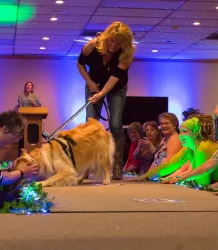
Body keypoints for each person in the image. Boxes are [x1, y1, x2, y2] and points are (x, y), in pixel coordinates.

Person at [77, 21, 135, 180]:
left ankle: (116, 164)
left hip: (116, 86)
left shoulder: (128, 52)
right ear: (107, 37)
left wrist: (101, 93)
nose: (114, 45)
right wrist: (90, 84)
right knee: (91, 124)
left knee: (115, 123)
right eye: (112, 41)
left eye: (119, 43)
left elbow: (116, 76)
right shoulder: (93, 45)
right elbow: (80, 64)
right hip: (93, 83)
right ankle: (86, 167)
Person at [166, 101, 218, 191]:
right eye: (215, 118)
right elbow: (209, 164)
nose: (216, 122)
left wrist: (206, 188)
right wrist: (181, 178)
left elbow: (205, 179)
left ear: (196, 133)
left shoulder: (204, 146)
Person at [0, 110, 39, 208]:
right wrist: (22, 173)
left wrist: (9, 170)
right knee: (10, 199)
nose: (8, 144)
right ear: (5, 129)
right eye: (12, 139)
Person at [160, 115, 218, 186]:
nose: (180, 136)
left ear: (196, 133)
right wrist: (170, 178)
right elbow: (183, 169)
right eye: (180, 132)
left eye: (184, 131)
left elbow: (202, 182)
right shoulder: (191, 148)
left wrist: (178, 179)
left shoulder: (203, 147)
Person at [130, 112, 182, 181]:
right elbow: (156, 161)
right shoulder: (164, 139)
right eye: (162, 124)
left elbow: (169, 162)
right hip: (157, 177)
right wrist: (147, 176)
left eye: (167, 123)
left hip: (166, 179)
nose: (164, 126)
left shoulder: (174, 138)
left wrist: (147, 176)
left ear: (174, 125)